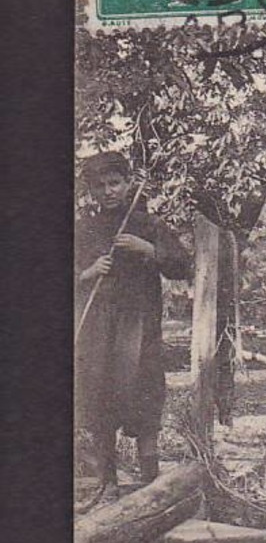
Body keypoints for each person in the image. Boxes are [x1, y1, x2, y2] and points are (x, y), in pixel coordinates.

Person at [74, 151, 191, 490]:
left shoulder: (148, 225)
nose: (108, 191)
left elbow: (183, 266)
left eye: (115, 183)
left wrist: (149, 250)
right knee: (100, 395)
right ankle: (107, 481)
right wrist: (88, 272)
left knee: (145, 393)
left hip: (140, 327)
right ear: (91, 191)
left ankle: (150, 480)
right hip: (98, 329)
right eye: (100, 186)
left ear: (128, 184)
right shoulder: (83, 229)